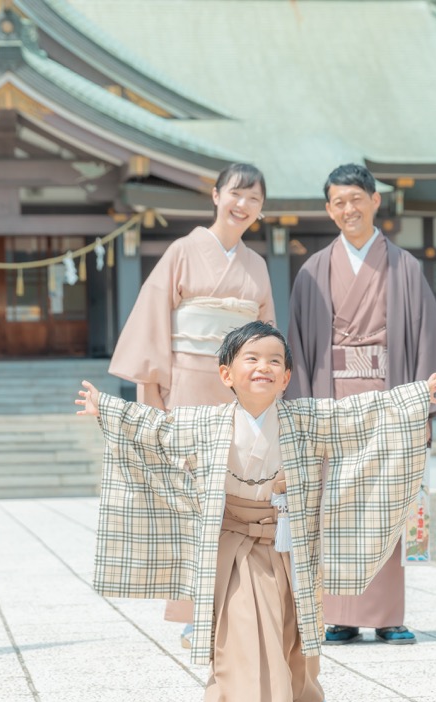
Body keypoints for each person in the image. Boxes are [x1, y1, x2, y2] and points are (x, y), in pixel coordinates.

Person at [77, 321, 436, 702]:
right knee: (238, 626)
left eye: (274, 361)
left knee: (290, 627)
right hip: (234, 542)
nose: (263, 367)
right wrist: (107, 409)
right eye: (251, 359)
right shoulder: (204, 421)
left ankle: (300, 697)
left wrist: (415, 396)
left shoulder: (306, 417)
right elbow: (158, 428)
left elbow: (358, 413)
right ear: (226, 373)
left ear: (287, 377)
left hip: (285, 538)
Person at [286, 163, 436, 647]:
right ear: (329, 210)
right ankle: (339, 615)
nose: (349, 209)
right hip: (333, 403)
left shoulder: (404, 267)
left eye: (356, 199)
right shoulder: (312, 271)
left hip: (390, 400)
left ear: (374, 201)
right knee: (335, 508)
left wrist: (421, 410)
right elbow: (299, 347)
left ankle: (388, 614)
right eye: (339, 202)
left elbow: (425, 339)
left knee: (386, 506)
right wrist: (301, 416)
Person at [107, 163, 275, 647]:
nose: (243, 205)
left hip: (239, 393)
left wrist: (265, 390)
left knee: (240, 499)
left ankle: (234, 603)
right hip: (187, 387)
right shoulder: (182, 251)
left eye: (254, 199)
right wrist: (153, 393)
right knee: (190, 503)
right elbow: (153, 320)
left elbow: (266, 335)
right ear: (216, 196)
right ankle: (193, 611)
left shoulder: (257, 266)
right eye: (236, 194)